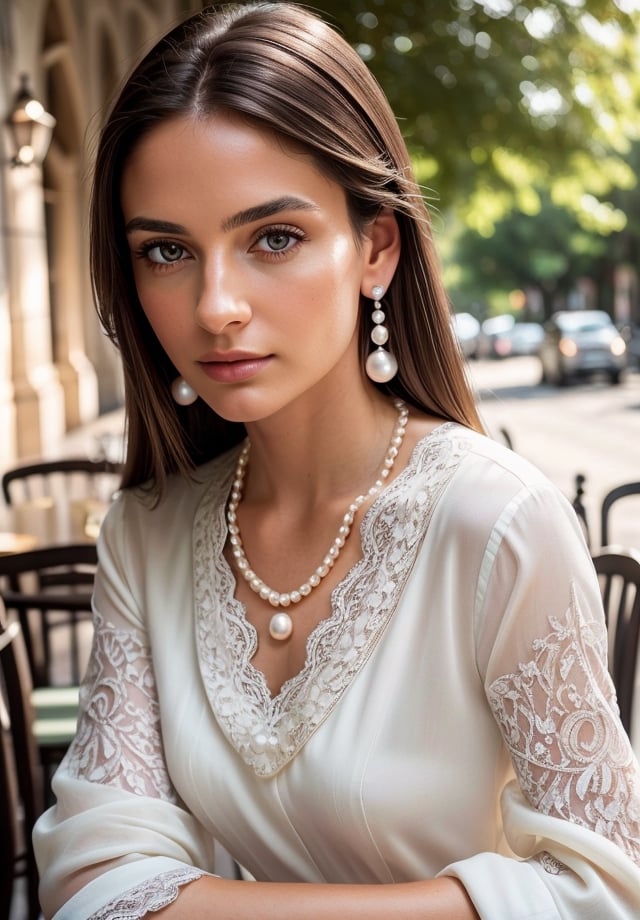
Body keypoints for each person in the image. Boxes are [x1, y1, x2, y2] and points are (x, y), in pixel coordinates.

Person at [33, 2, 640, 918]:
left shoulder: (497, 524)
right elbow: (89, 875)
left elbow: (607, 889)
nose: (217, 306)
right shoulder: (146, 535)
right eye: (167, 251)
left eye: (273, 238)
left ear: (376, 247)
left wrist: (184, 904)